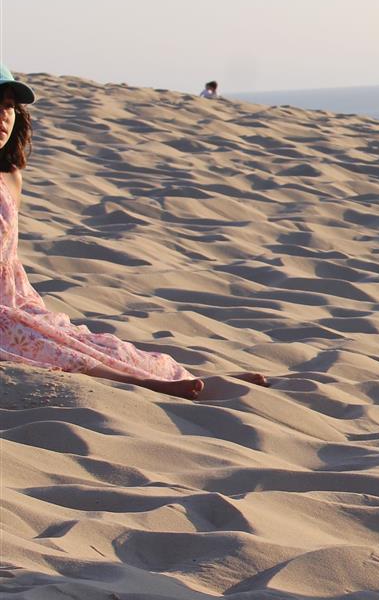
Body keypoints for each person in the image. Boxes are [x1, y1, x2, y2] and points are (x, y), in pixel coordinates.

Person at [0, 66, 266, 399]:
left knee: (90, 342)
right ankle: (145, 385)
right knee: (38, 344)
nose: (3, 116)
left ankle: (183, 376)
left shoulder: (10, 177)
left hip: (16, 302)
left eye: (8, 105)